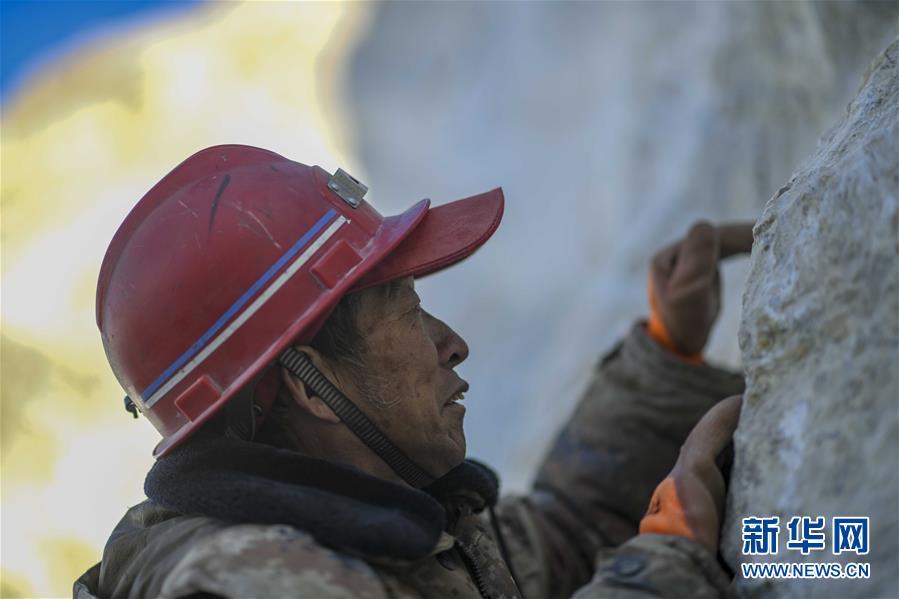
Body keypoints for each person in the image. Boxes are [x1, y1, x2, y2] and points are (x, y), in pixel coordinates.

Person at [75, 145, 751, 598]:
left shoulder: (373, 530)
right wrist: (665, 570)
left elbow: (558, 538)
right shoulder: (256, 584)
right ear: (310, 385)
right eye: (408, 313)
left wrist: (668, 354)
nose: (452, 345)